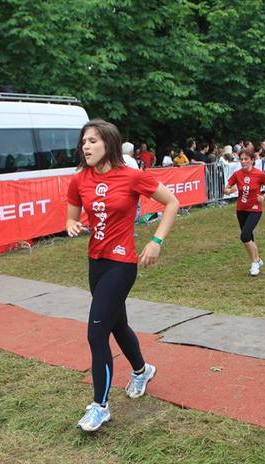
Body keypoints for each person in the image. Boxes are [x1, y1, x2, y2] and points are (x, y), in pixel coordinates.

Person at [65, 119, 179, 432]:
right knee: (117, 325)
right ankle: (142, 370)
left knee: (96, 334)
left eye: (92, 141)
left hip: (121, 264)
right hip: (96, 263)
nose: (86, 147)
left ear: (109, 144)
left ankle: (100, 407)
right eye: (83, 142)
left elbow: (172, 202)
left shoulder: (132, 176)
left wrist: (156, 242)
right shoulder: (79, 180)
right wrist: (72, 224)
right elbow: (71, 216)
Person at [225, 148, 265, 276]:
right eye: (241, 159)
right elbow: (226, 188)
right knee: (249, 238)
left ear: (252, 160)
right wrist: (229, 191)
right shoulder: (237, 174)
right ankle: (257, 259)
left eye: (246, 159)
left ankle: (254, 263)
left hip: (255, 209)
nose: (243, 161)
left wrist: (264, 197)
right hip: (241, 210)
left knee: (245, 236)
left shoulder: (259, 174)